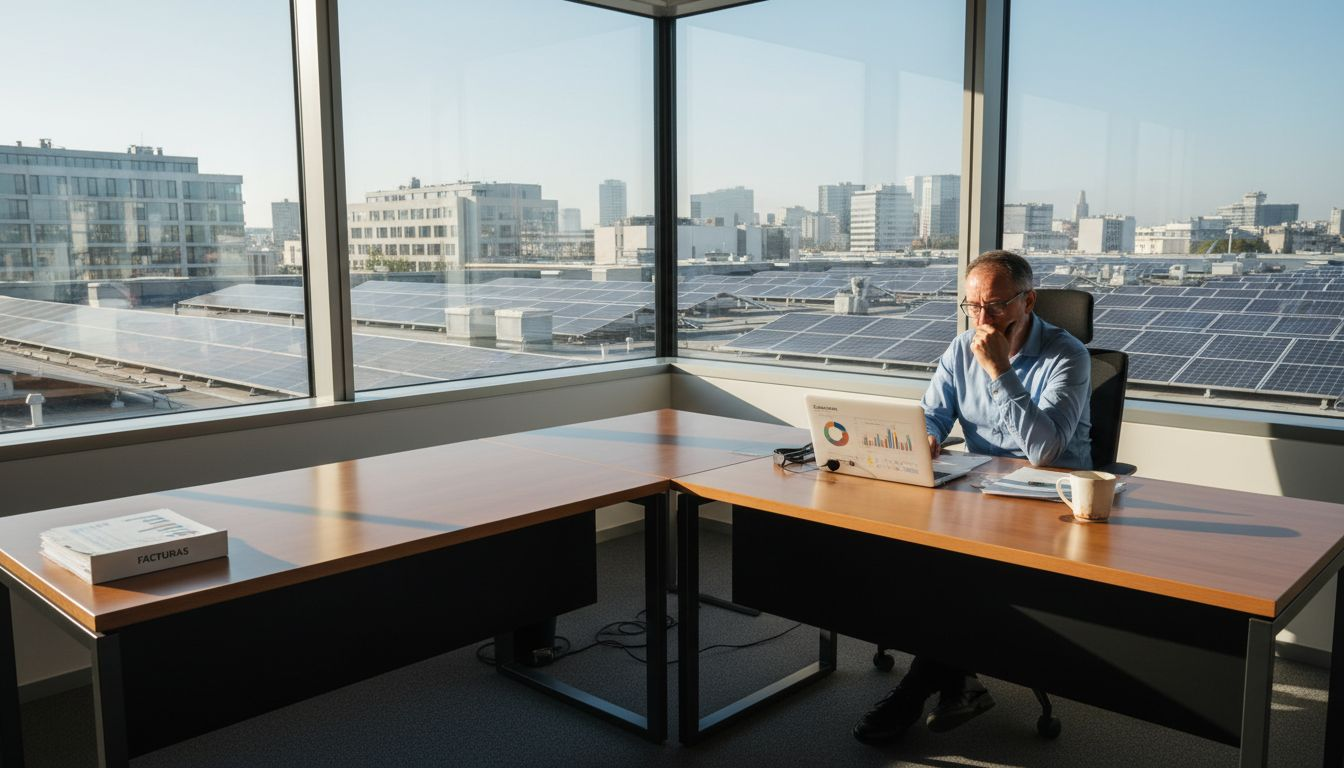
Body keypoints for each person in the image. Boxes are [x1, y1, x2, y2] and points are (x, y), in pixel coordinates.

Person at [852, 249, 1092, 745]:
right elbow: (934, 414)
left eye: (997, 305)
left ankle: (916, 689)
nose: (983, 319)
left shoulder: (1068, 355)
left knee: (961, 574)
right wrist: (927, 436)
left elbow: (1044, 452)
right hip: (980, 491)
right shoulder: (961, 347)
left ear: (1029, 300)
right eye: (973, 306)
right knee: (909, 553)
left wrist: (1001, 371)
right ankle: (961, 680)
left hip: (1051, 503)